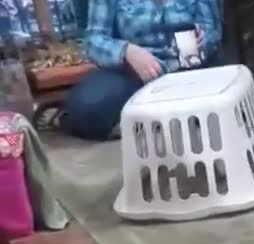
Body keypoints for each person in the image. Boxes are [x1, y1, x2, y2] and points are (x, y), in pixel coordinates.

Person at [60, 0, 223, 141]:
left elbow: (212, 31)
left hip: (190, 70)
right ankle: (162, 119)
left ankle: (151, 120)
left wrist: (204, 39)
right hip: (136, 76)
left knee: (229, 96)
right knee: (85, 107)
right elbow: (94, 40)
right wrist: (126, 51)